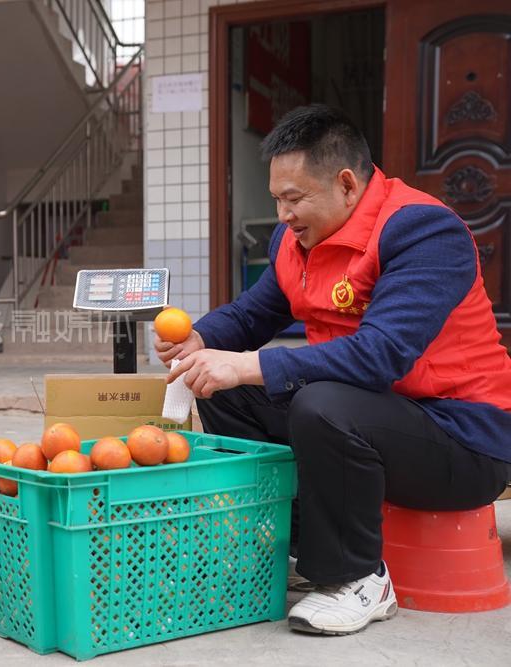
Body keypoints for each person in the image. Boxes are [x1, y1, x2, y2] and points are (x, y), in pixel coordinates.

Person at [155, 105, 511, 636]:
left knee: (322, 404)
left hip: (462, 437)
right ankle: (296, 546)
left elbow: (381, 355)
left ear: (347, 184)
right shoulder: (295, 242)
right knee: (220, 388)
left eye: (294, 199)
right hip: (376, 418)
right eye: (277, 199)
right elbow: (255, 312)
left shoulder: (423, 231)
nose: (282, 215)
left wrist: (251, 364)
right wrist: (203, 341)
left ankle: (358, 578)